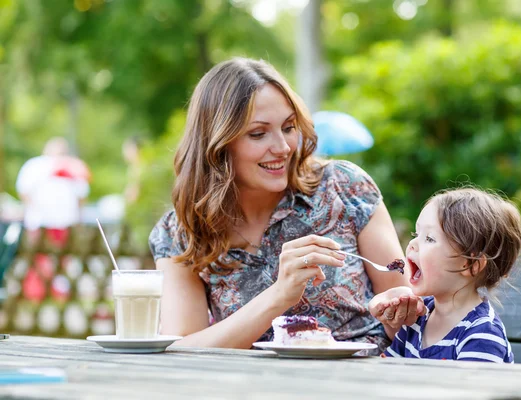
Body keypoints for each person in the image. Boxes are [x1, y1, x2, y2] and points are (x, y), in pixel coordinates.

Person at [148, 57, 425, 354]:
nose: (282, 147)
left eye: (289, 127)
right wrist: (279, 295)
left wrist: (402, 312)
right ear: (217, 143)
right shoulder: (181, 230)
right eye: (258, 133)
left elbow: (410, 316)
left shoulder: (344, 187)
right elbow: (181, 349)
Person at [370, 188, 521, 362]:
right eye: (416, 234)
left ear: (471, 265)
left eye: (429, 238)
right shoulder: (416, 318)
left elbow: (473, 389)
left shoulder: (481, 335)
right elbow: (386, 373)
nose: (413, 244)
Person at [16, 137, 90, 242]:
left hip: (66, 221)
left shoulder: (74, 166)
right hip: (40, 222)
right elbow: (24, 191)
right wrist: (36, 210)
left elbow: (82, 195)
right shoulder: (35, 166)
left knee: (62, 255)